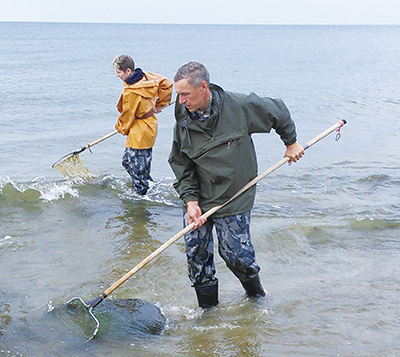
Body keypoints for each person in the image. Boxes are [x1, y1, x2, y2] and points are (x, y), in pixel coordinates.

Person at [168, 61, 304, 308]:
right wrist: (190, 200)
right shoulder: (183, 122)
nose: (180, 101)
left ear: (203, 87)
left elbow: (278, 111)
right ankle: (208, 315)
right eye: (178, 95)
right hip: (199, 196)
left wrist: (291, 142)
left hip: (234, 195)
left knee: (236, 256)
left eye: (184, 94)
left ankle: (256, 301)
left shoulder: (238, 106)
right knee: (196, 255)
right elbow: (181, 164)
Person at [113, 55, 173, 195]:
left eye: (119, 72)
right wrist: (161, 103)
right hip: (149, 124)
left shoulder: (132, 92)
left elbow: (127, 115)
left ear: (128, 71)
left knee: (137, 167)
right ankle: (150, 186)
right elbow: (167, 83)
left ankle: (142, 197)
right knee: (128, 162)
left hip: (140, 130)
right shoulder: (146, 76)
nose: (117, 75)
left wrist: (120, 128)